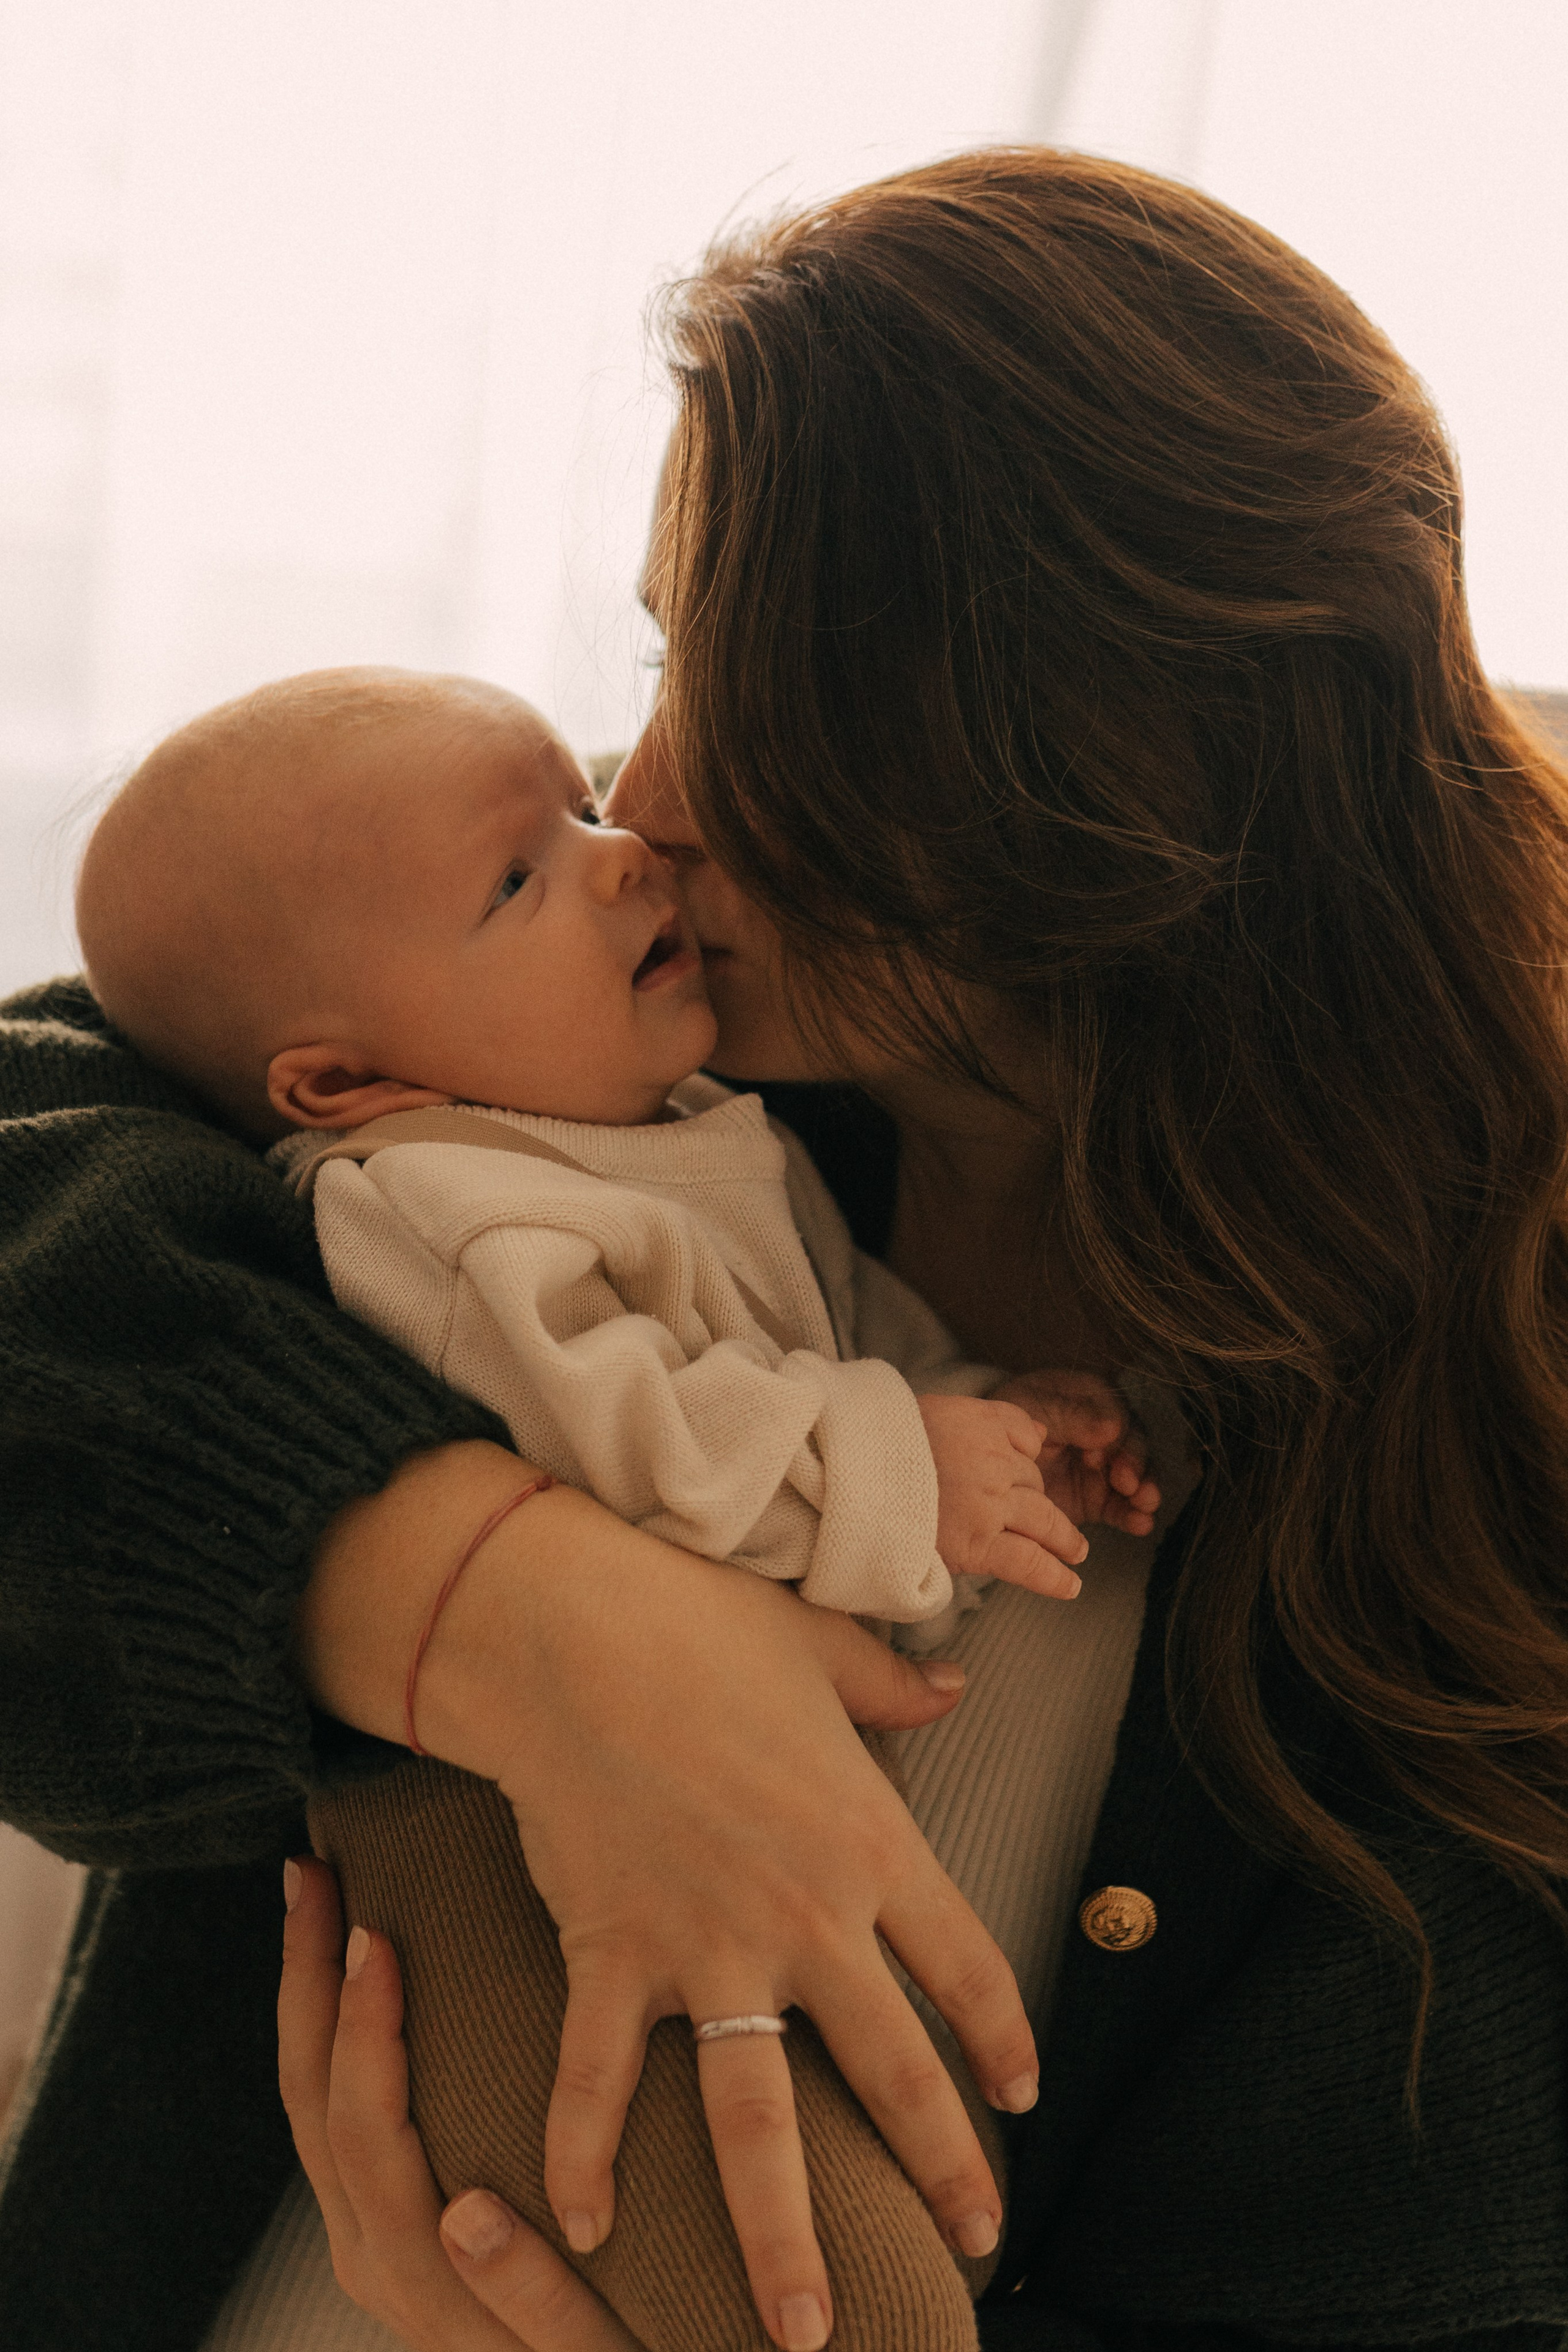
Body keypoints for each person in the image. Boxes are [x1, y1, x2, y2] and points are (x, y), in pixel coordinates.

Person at [3, 144, 1567, 2352]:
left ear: (1073, 781)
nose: (641, 792)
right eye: (659, 650)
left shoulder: (1489, 1487)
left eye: (754, 687)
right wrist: (511, 1618)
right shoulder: (593, 1043)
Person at [70, 664, 1161, 2351]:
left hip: (683, 1854)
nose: (626, 833)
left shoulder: (688, 1121)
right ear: (342, 1084)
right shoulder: (446, 1205)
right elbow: (642, 1439)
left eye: (574, 810)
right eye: (524, 874)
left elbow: (832, 1332)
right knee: (804, 2291)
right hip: (479, 1858)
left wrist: (990, 1415)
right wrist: (903, 1461)